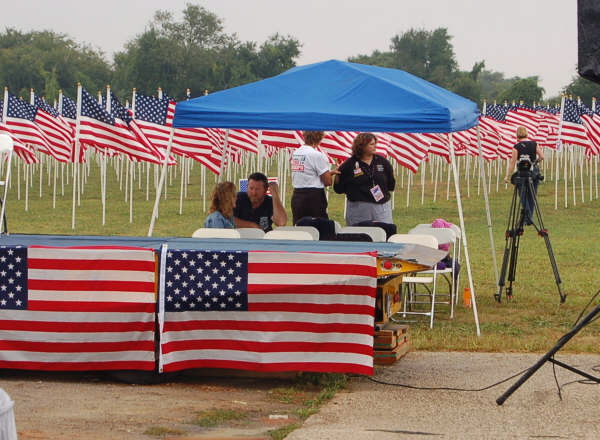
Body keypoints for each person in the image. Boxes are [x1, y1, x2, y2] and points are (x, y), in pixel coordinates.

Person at [333, 132, 396, 226]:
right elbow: (339, 189)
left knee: (383, 234)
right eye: (371, 144)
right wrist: (337, 178)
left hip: (381, 208)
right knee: (360, 236)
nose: (375, 147)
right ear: (361, 146)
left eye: (375, 144)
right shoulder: (349, 165)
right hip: (359, 209)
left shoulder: (383, 162)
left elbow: (391, 185)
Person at [290, 130, 339, 224]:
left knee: (299, 226)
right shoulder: (316, 155)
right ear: (319, 138)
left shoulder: (296, 153)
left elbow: (308, 172)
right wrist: (329, 175)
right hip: (313, 197)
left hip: (297, 195)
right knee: (319, 227)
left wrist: (330, 172)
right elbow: (327, 182)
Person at [503, 126, 544, 225]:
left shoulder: (516, 147)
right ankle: (529, 217)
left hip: (521, 173)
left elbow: (512, 162)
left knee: (523, 195)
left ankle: (527, 216)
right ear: (527, 133)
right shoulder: (534, 144)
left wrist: (507, 176)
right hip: (533, 172)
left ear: (517, 135)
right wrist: (535, 162)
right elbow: (542, 156)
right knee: (532, 195)